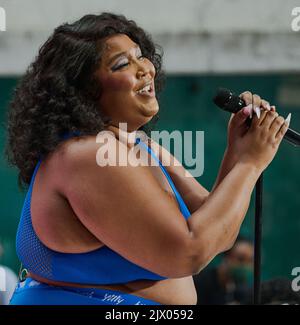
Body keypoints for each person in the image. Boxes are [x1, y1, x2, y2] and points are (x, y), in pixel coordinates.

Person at [5, 12, 290, 305]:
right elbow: (190, 252)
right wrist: (251, 163)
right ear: (84, 91)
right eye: (122, 64)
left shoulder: (139, 145)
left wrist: (238, 150)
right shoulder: (86, 155)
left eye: (141, 56)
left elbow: (216, 231)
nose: (145, 69)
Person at [193, 236, 254, 304]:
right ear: (226, 257)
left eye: (250, 261)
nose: (246, 266)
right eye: (241, 259)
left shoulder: (239, 287)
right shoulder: (199, 283)